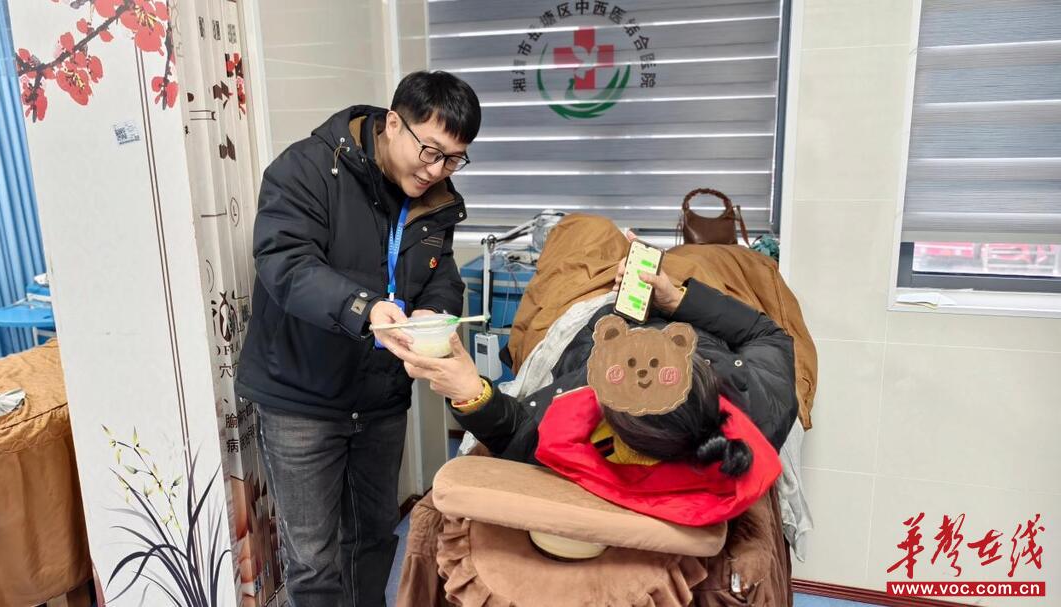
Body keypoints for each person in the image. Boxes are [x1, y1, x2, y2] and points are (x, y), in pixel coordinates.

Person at [234, 70, 481, 607]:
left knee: (373, 539)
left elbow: (441, 276)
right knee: (313, 561)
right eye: (430, 151)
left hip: (379, 398)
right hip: (301, 397)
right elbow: (285, 264)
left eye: (453, 159)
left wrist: (435, 316)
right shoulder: (305, 170)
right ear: (393, 123)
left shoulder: (435, 198)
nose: (436, 170)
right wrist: (365, 309)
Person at [385, 233, 798, 503]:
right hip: (684, 310)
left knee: (583, 233)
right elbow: (769, 335)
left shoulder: (589, 419)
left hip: (598, 315)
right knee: (713, 258)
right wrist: (677, 301)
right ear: (705, 372)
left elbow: (520, 433)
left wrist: (471, 393)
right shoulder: (760, 402)